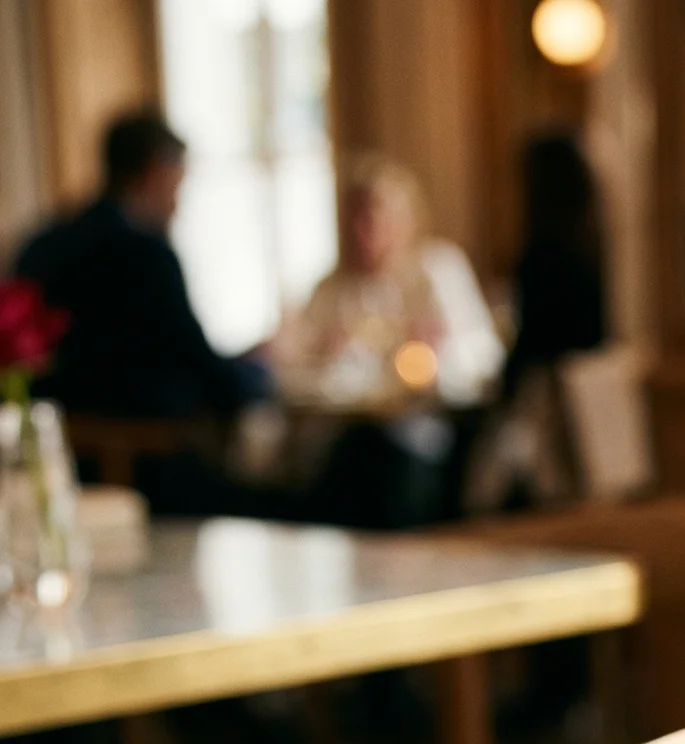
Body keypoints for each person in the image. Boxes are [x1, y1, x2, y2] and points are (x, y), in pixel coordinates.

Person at [275, 155, 502, 527]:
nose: (361, 232)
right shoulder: (332, 289)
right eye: (352, 220)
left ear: (405, 221)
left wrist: (439, 353)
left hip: (423, 435)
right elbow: (296, 372)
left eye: (372, 219)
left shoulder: (437, 271)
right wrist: (319, 351)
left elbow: (484, 358)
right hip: (346, 437)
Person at [14, 111, 270, 419]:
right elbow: (199, 365)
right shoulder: (146, 256)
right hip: (146, 448)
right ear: (156, 171)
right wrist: (259, 376)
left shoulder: (44, 243)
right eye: (178, 184)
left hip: (57, 442)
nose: (178, 203)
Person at [501, 133, 606, 400]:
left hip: (557, 394)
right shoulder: (598, 247)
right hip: (591, 388)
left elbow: (533, 340)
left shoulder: (545, 256)